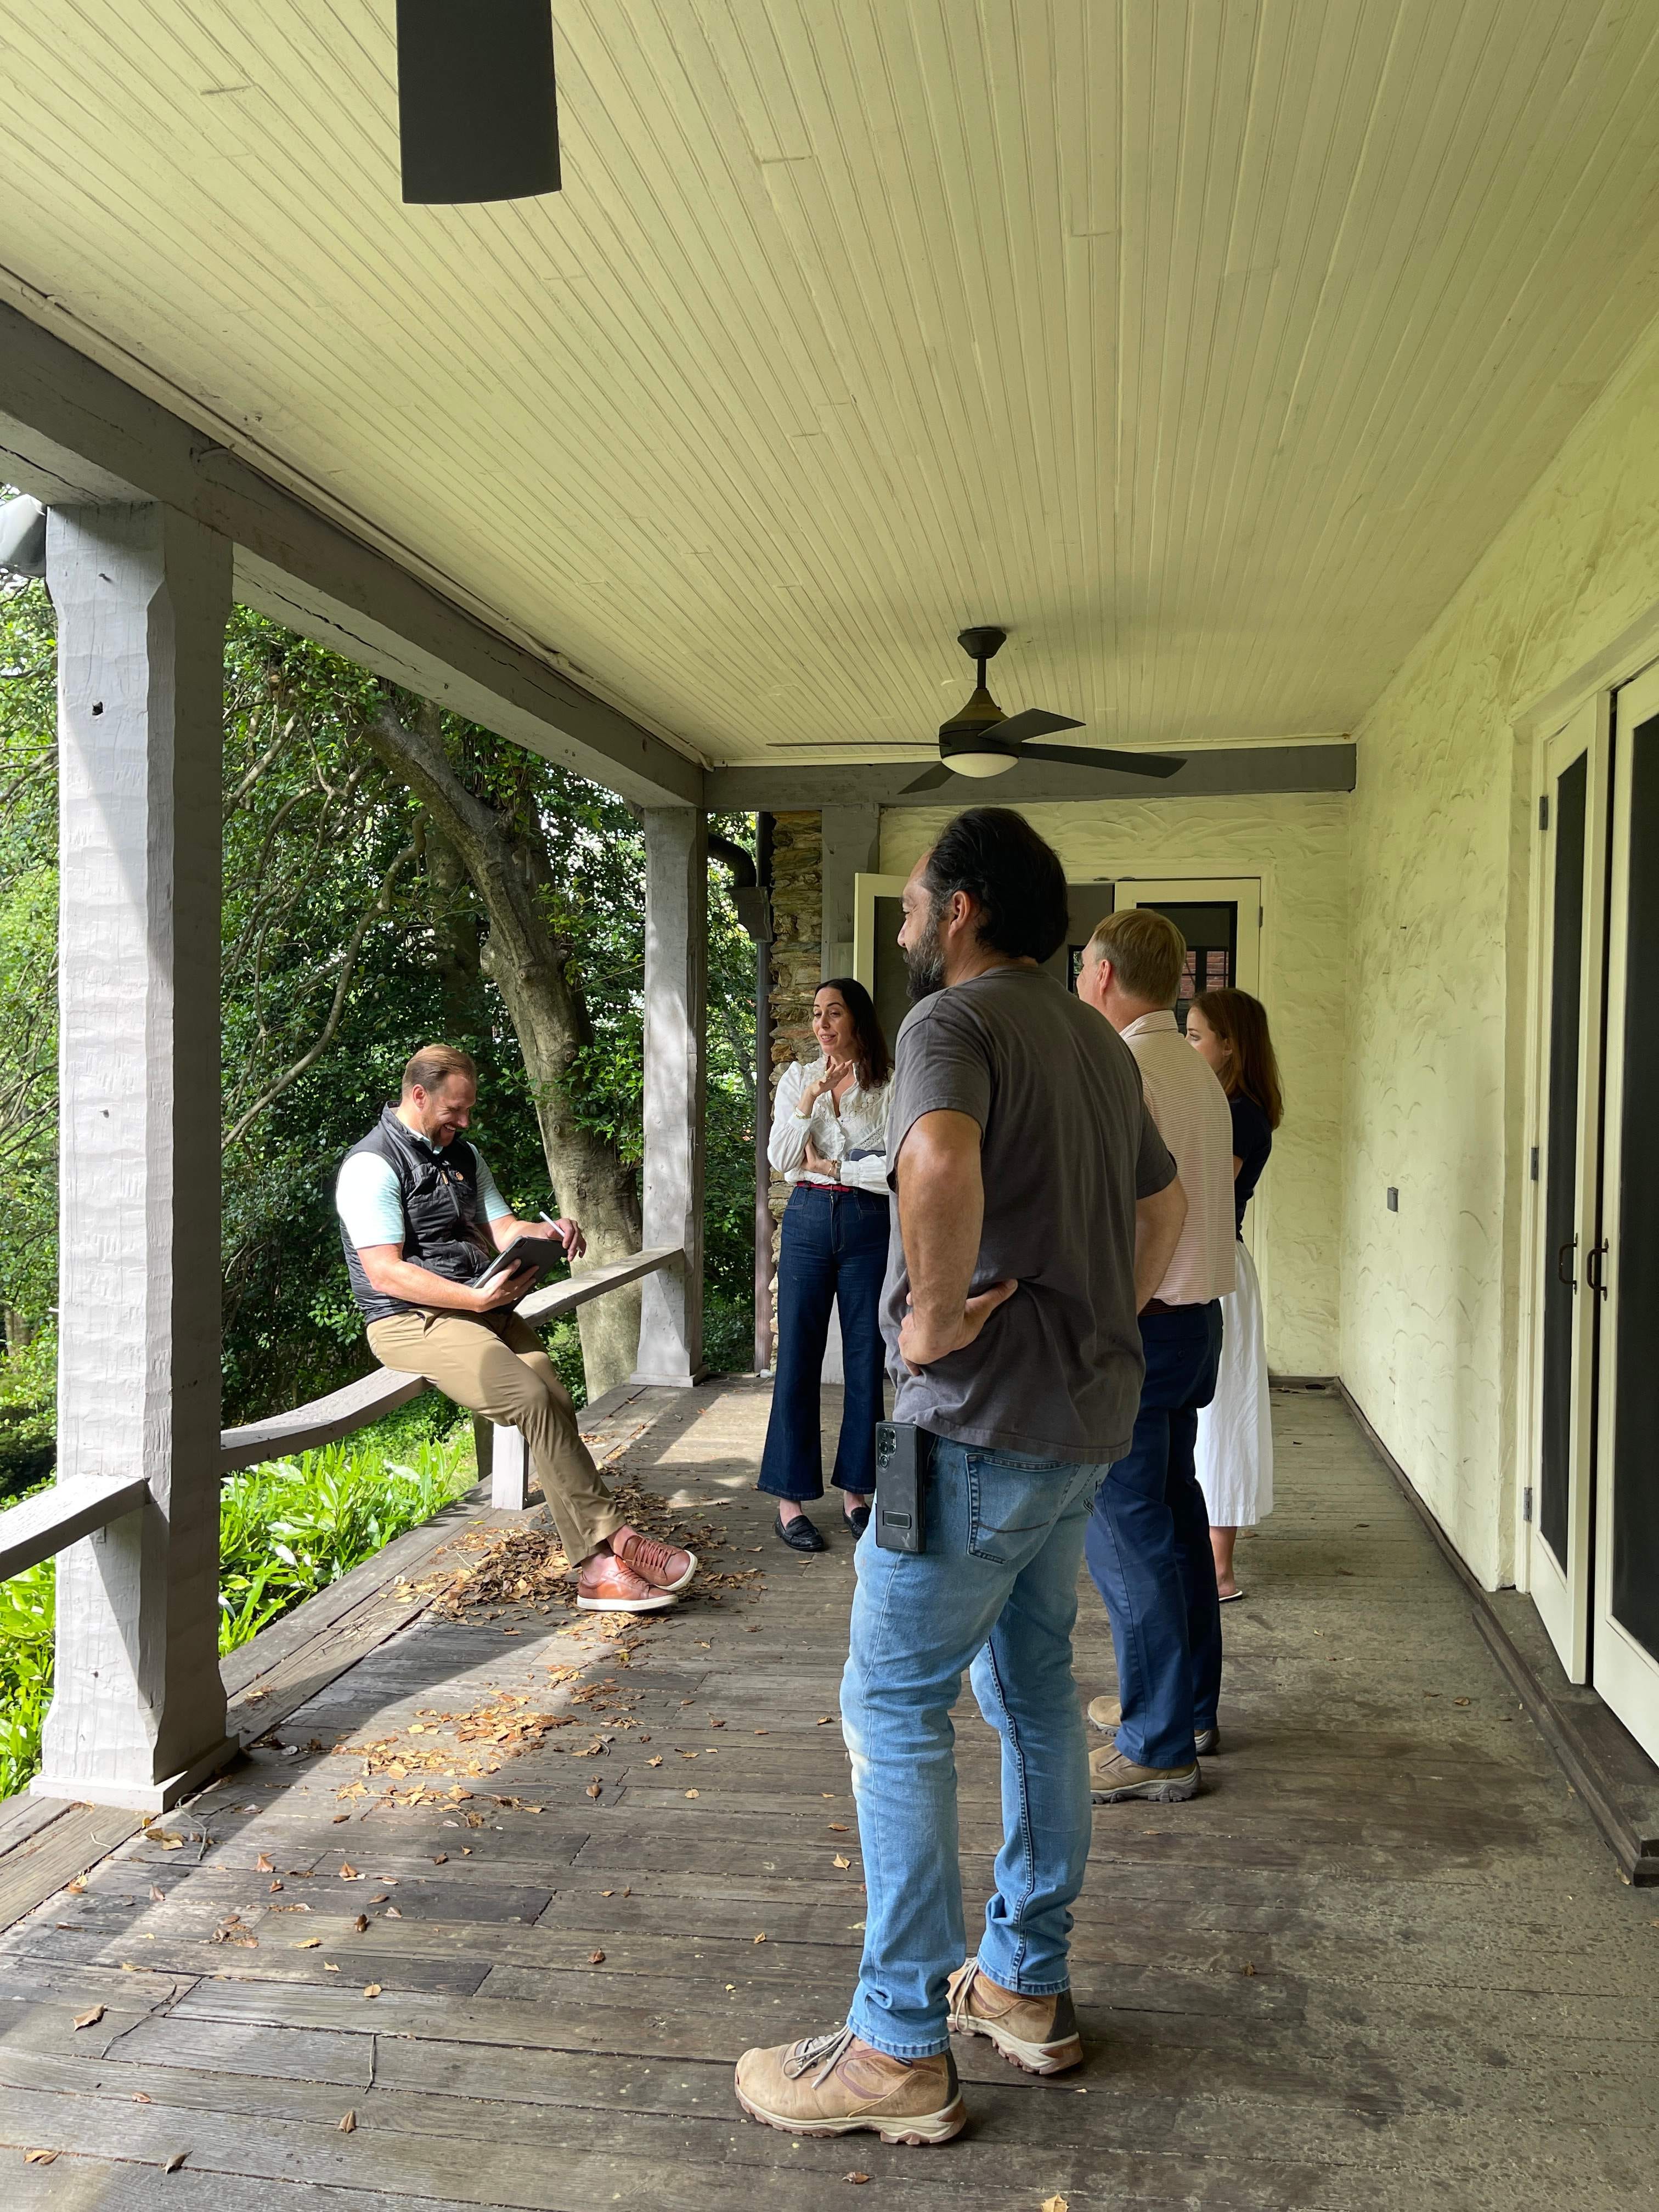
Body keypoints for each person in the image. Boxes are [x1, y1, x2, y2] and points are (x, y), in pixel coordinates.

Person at [735, 810, 1186, 2147]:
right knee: (1035, 1693)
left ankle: (896, 2046)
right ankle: (1026, 1984)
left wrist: (928, 1323)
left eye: (916, 903)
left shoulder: (955, 1021)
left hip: (971, 1429)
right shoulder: (1098, 1044)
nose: (906, 926)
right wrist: (1104, 1313)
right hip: (1080, 1426)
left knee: (893, 1704)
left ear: (965, 910)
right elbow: (1163, 1208)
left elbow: (934, 1156)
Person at [335, 1044, 695, 1614]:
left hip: (480, 1309)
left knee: (554, 1397)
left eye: (469, 1110)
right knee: (530, 1398)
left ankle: (598, 1570)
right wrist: (476, 1298)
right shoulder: (371, 1165)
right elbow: (386, 1272)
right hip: (410, 1320)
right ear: (418, 1095)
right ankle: (617, 1545)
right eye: (454, 1110)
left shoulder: (464, 1155)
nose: (464, 1121)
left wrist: (550, 1231)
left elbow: (504, 1230)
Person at [1075, 913, 1237, 1802]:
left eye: (1080, 972)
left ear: (1101, 974)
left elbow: (1109, 1208)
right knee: (1173, 1520)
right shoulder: (1189, 1064)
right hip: (1192, 1321)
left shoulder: (1125, 1066)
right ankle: (1186, 1708)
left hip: (1143, 1323)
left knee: (1128, 1535)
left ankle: (1157, 1740)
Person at [759, 979, 894, 1551]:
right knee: (797, 1355)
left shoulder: (888, 1085)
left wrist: (836, 1168)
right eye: (817, 1014)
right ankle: (790, 1501)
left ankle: (857, 1492)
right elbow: (781, 1159)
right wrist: (809, 1101)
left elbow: (896, 1170)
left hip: (867, 1221)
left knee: (866, 1357)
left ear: (857, 1019)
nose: (822, 1024)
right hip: (809, 1220)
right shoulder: (798, 1079)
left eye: (833, 1013)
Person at [1187, 988, 1282, 1600]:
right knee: (1203, 1416)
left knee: (1221, 1415)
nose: (1188, 1044)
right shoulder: (1217, 1105)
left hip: (1217, 1269)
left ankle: (1219, 1569)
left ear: (1230, 1045)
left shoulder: (1242, 1113)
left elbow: (1202, 1191)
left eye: (1196, 1035)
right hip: (1203, 1267)